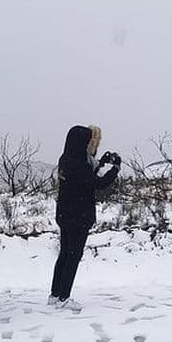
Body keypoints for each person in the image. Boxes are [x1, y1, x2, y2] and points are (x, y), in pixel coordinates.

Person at [49, 125, 120, 310]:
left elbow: (88, 176)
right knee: (73, 256)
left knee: (64, 255)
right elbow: (98, 183)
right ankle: (64, 297)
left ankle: (55, 294)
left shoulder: (66, 159)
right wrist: (115, 168)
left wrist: (101, 162)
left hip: (65, 214)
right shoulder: (78, 164)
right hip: (78, 216)